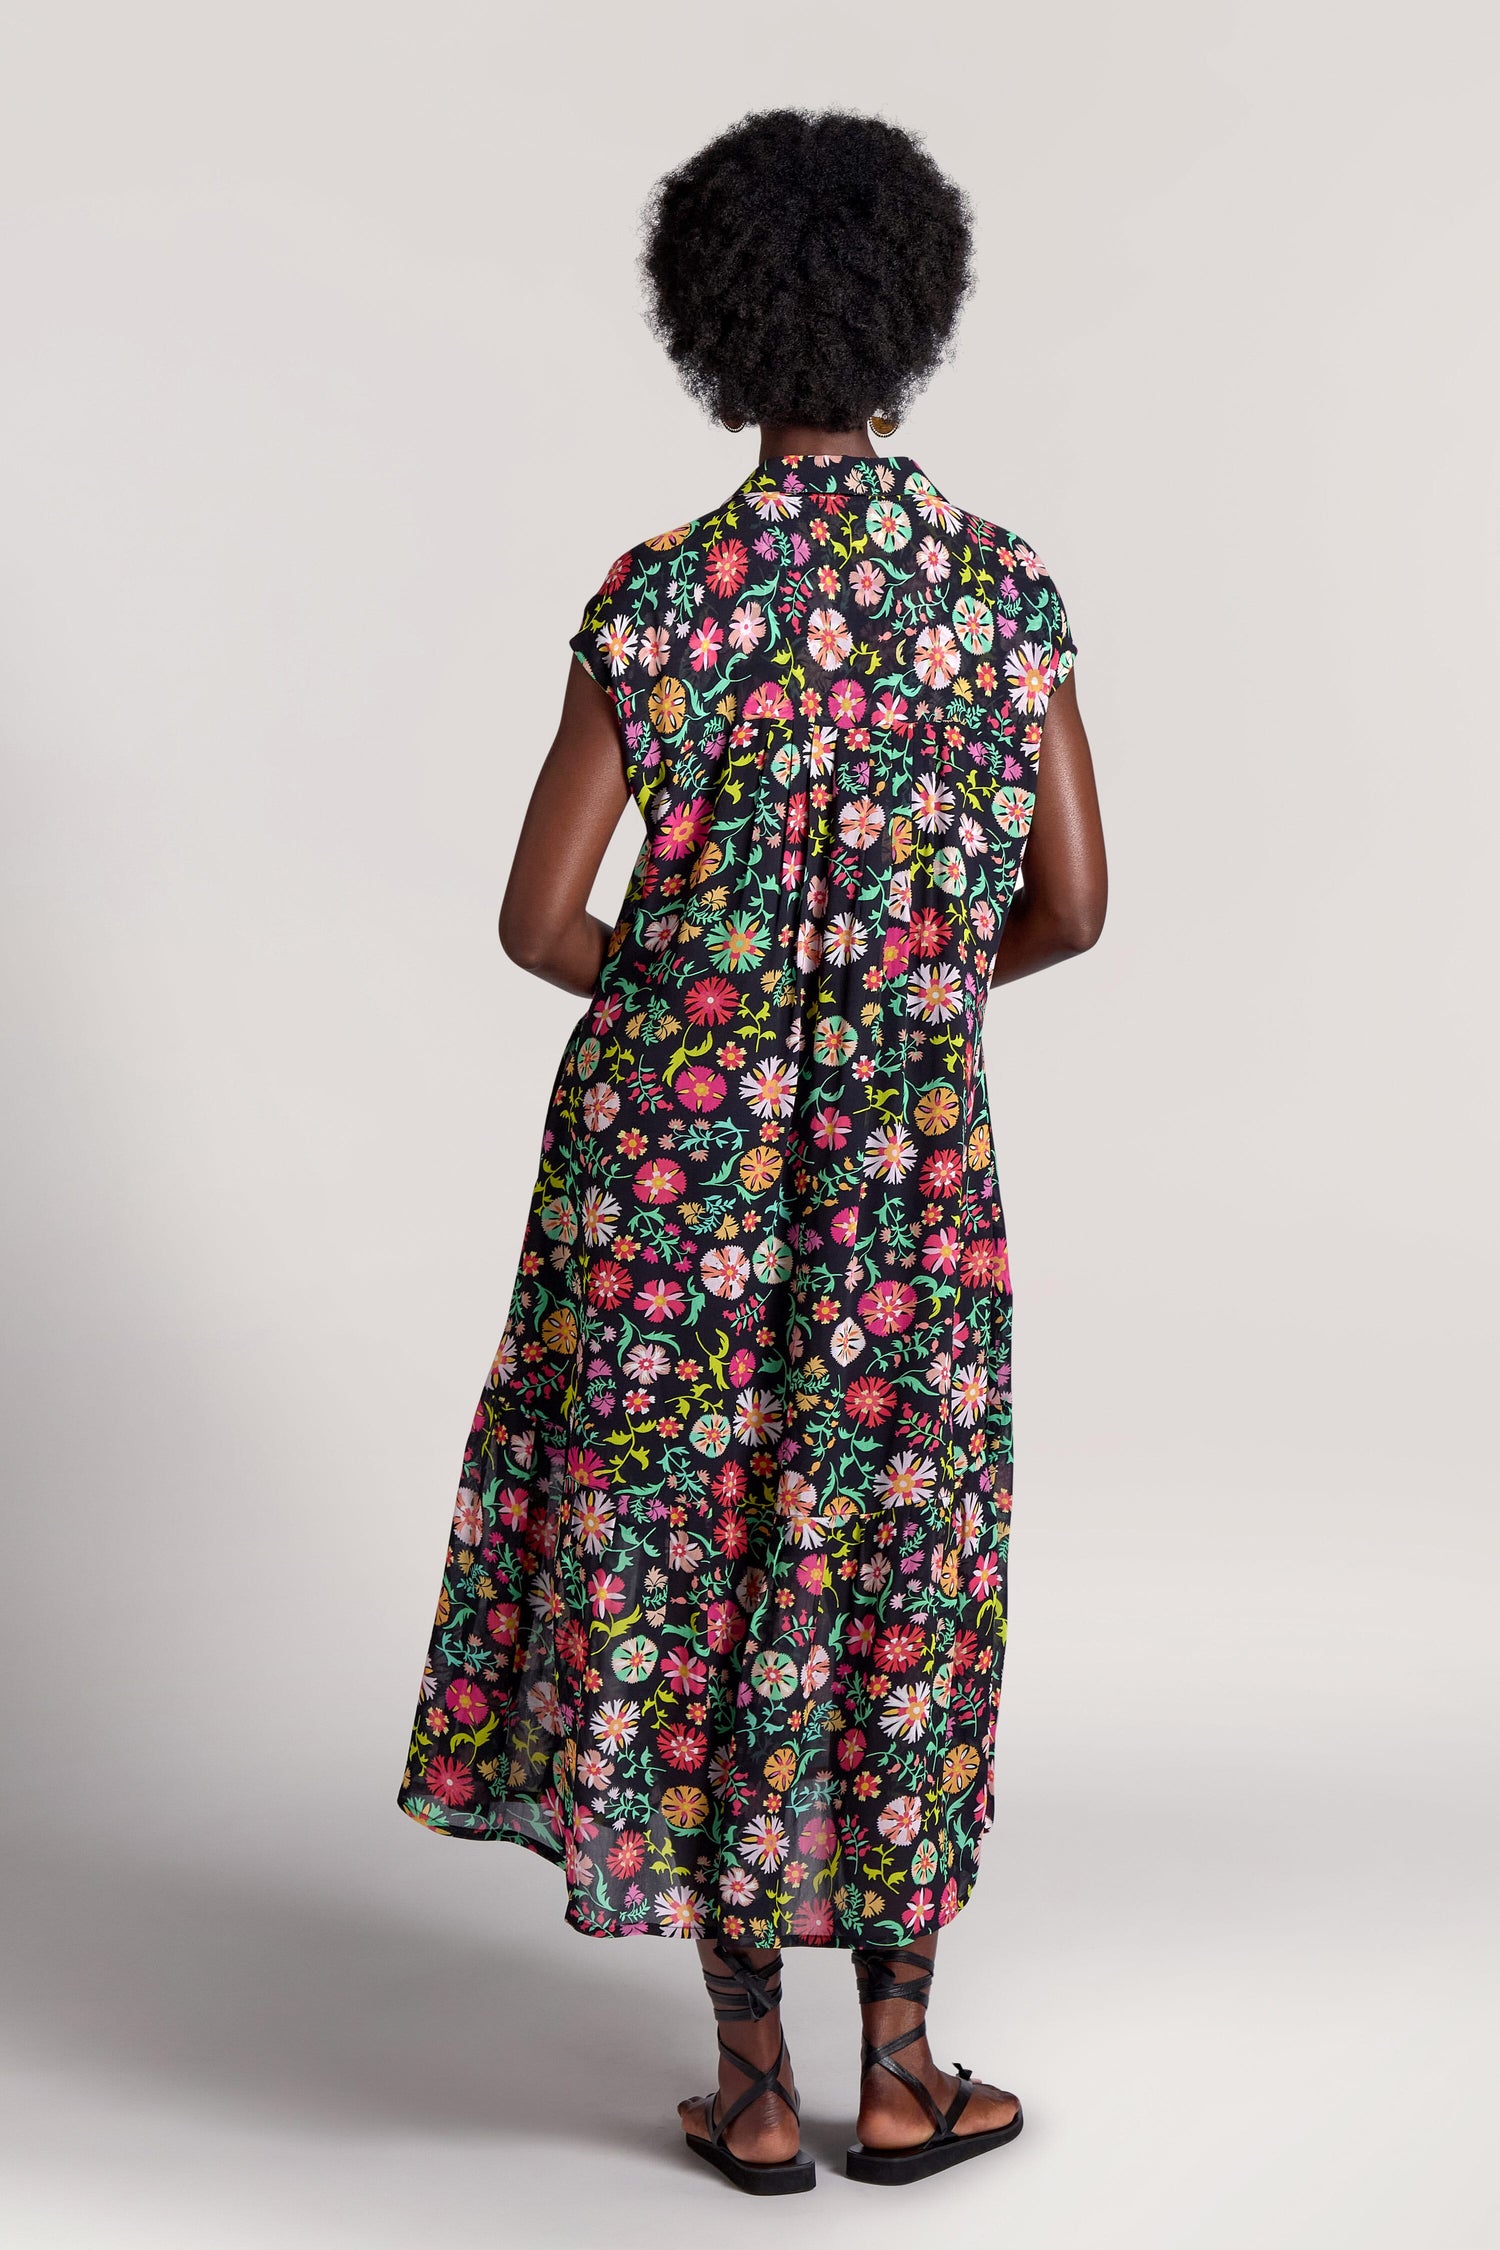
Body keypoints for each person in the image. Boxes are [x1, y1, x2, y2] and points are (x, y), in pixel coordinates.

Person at [398, 107, 1107, 2193]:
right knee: (893, 1557)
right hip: (906, 1178)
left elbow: (540, 923)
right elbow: (1069, 907)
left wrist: (713, 1009)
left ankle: (751, 2084)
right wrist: (890, 1003)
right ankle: (902, 2063)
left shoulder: (665, 602)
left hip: (668, 1182)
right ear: (914, 316)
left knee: (686, 1568)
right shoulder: (1002, 601)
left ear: (712, 325)